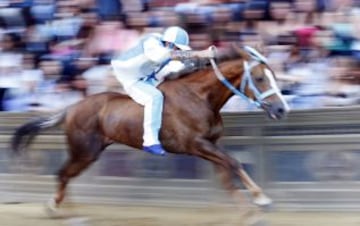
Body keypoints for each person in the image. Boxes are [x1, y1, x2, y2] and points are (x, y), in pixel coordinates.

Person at [111, 26, 216, 156]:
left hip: (147, 73)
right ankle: (149, 142)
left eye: (179, 49)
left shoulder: (166, 48)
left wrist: (203, 63)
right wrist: (200, 53)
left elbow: (180, 64)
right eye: (177, 47)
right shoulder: (152, 43)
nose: (178, 51)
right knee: (154, 97)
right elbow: (168, 56)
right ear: (168, 43)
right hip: (130, 77)